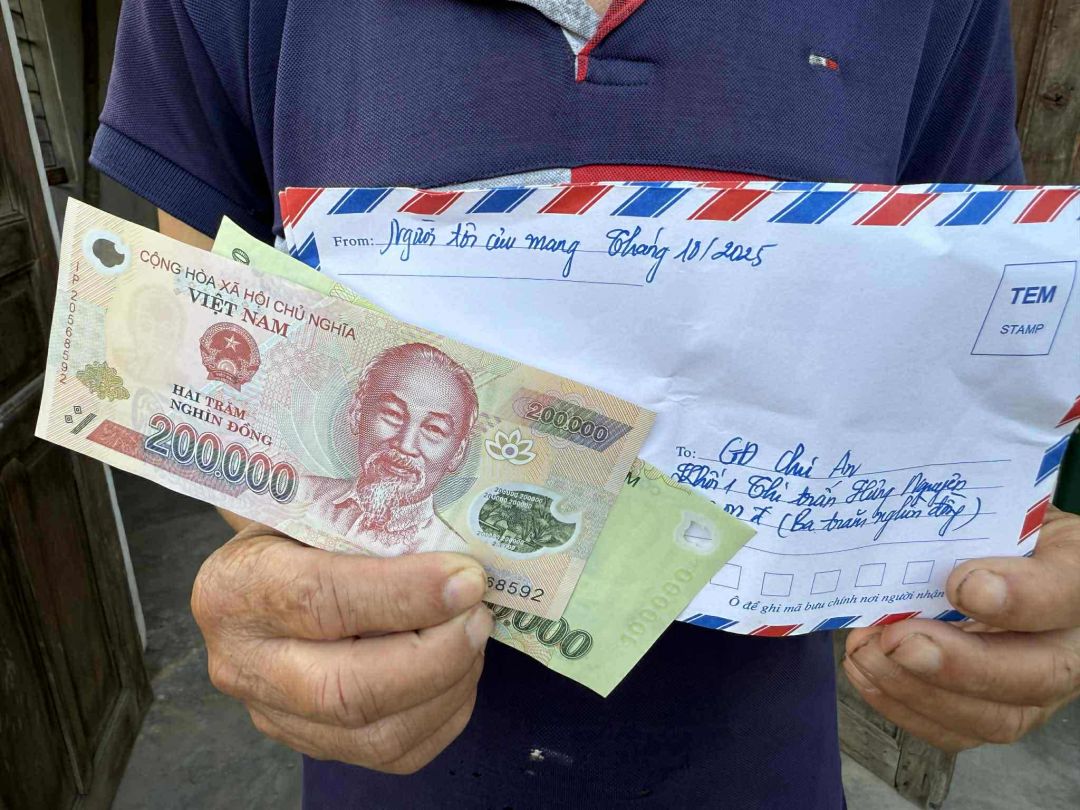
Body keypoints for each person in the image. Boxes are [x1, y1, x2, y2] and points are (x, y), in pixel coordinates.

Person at [90, 1, 1080, 807]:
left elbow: (965, 339)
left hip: (759, 760)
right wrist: (268, 580)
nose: (405, 445)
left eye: (432, 429)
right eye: (391, 422)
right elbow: (212, 372)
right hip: (393, 755)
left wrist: (1006, 559)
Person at [303, 342, 477, 555]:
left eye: (433, 428)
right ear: (357, 412)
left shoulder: (453, 556)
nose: (405, 445)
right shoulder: (300, 493)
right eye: (393, 414)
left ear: (458, 452)